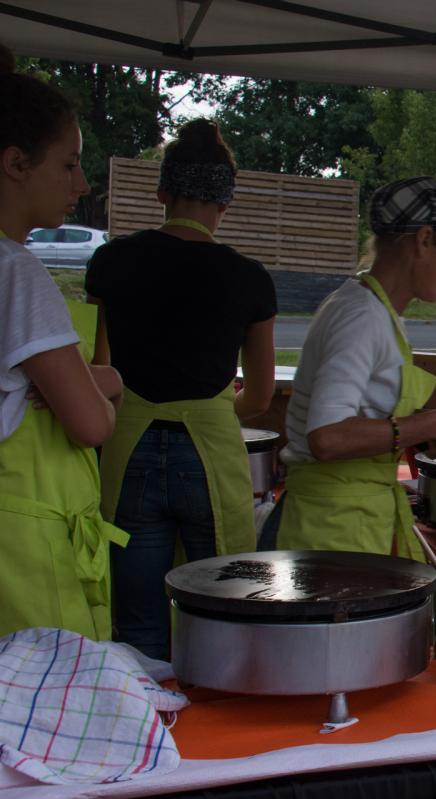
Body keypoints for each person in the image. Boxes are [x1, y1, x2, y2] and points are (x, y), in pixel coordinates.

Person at [85, 119, 276, 660]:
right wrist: (215, 408)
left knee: (138, 625)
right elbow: (260, 398)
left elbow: (97, 368)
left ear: (162, 193)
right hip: (210, 453)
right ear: (226, 202)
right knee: (222, 615)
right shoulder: (248, 277)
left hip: (128, 449)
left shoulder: (111, 261)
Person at [276, 177, 436, 558]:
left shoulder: (376, 311)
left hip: (354, 521)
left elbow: (365, 418)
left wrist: (427, 433)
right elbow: (327, 437)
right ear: (424, 240)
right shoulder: (360, 317)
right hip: (332, 530)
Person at [0, 57, 127, 639]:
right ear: (15, 164)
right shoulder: (17, 273)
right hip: (25, 545)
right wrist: (107, 385)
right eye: (69, 165)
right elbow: (91, 424)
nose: (81, 185)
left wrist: (84, 380)